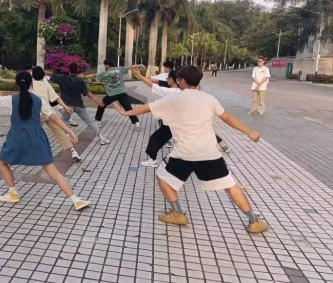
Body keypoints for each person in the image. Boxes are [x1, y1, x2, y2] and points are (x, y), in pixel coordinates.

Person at [114, 65, 268, 234]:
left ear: (182, 81)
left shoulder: (173, 99)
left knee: (162, 176)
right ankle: (254, 221)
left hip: (184, 153)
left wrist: (125, 113)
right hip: (210, 153)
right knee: (230, 186)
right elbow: (227, 117)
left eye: (178, 79)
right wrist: (249, 131)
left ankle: (178, 214)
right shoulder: (209, 98)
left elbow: (147, 108)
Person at [0, 71, 91, 211]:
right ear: (31, 84)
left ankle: (13, 193)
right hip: (36, 138)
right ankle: (76, 200)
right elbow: (54, 118)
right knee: (53, 171)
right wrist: (69, 131)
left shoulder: (11, 99)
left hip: (17, 137)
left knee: (2, 162)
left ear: (16, 84)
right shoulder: (39, 100)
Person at [50, 62, 111, 145]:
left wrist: (38, 70)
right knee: (90, 121)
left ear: (68, 70)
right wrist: (96, 100)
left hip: (68, 105)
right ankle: (101, 137)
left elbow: (51, 74)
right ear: (77, 70)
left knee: (65, 119)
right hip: (79, 105)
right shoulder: (80, 80)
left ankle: (69, 136)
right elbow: (87, 92)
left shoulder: (62, 78)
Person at [31, 66, 84, 162]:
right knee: (60, 132)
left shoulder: (31, 85)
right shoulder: (46, 85)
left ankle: (31, 152)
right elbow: (57, 98)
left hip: (37, 114)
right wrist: (66, 107)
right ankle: (73, 152)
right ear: (43, 75)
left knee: (31, 132)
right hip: (49, 114)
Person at [84, 59, 145, 130]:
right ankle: (137, 123)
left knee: (101, 105)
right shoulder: (119, 69)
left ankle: (97, 121)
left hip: (111, 95)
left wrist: (84, 77)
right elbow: (131, 67)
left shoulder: (105, 73)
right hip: (122, 93)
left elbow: (93, 75)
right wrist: (140, 65)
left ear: (107, 65)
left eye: (105, 65)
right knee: (128, 108)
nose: (104, 66)